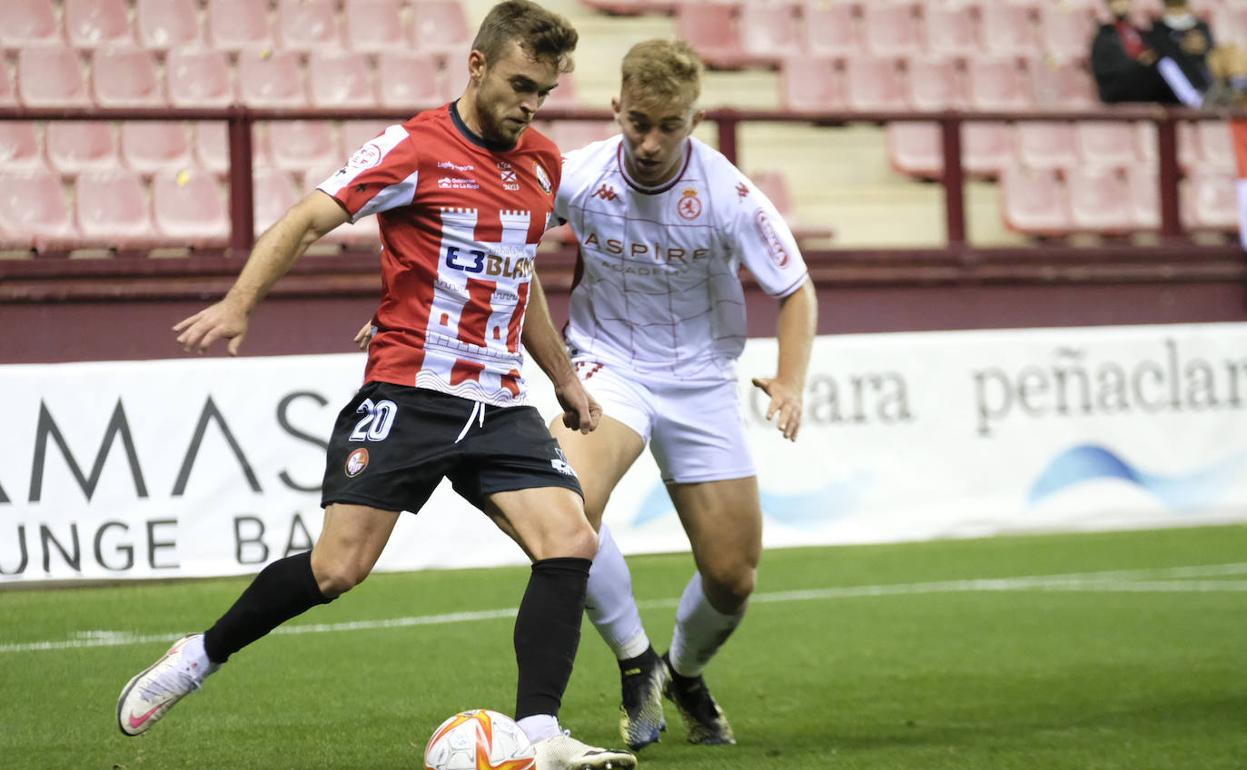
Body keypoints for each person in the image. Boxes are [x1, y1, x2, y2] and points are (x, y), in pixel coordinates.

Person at [114, 3, 637, 768]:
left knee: (570, 539)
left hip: (497, 399)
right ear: (478, 65)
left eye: (545, 93)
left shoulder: (541, 163)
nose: (529, 105)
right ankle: (200, 655)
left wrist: (565, 382)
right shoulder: (414, 145)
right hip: (412, 391)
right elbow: (305, 218)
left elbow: (518, 277)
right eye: (521, 84)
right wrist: (239, 303)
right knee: (338, 570)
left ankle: (538, 735)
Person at [547, 39, 817, 751]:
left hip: (701, 381)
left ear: (695, 119)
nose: (650, 142)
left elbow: (795, 290)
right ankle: (637, 661)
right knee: (559, 503)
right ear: (616, 108)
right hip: (611, 367)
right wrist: (418, 297)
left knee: (732, 577)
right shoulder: (576, 176)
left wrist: (789, 380)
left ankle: (684, 672)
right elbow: (495, 235)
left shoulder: (728, 195)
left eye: (670, 126)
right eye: (638, 122)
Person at [1091, 0, 1168, 104]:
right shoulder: (1105, 37)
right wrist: (1140, 63)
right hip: (1122, 95)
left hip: (1152, 93)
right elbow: (1107, 73)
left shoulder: (1141, 33)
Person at [1147, 0, 1217, 106]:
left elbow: (1212, 51)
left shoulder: (1200, 27)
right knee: (1166, 64)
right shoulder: (1159, 30)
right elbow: (1162, 55)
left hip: (1208, 83)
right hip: (1182, 89)